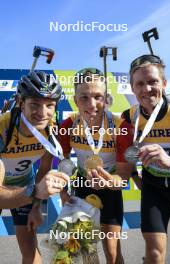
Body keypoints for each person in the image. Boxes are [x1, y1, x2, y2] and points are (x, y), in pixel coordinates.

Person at [91, 55, 170, 264]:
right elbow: (126, 162)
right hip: (154, 186)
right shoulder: (129, 117)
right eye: (140, 84)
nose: (146, 89)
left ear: (163, 83)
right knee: (155, 254)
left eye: (153, 82)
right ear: (132, 87)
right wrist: (124, 179)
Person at [0, 70, 69, 264]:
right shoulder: (3, 129)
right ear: (21, 103)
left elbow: (45, 168)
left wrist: (36, 206)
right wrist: (35, 192)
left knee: (30, 251)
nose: (43, 112)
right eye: (35, 104)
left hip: (24, 182)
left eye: (50, 106)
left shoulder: (50, 127)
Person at [58, 68, 125, 264]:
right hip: (81, 186)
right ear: (75, 99)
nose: (92, 104)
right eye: (84, 97)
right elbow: (63, 161)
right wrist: (64, 190)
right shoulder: (68, 125)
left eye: (98, 97)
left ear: (106, 98)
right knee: (87, 251)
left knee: (112, 253)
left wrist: (110, 181)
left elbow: (124, 175)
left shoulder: (120, 126)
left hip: (111, 189)